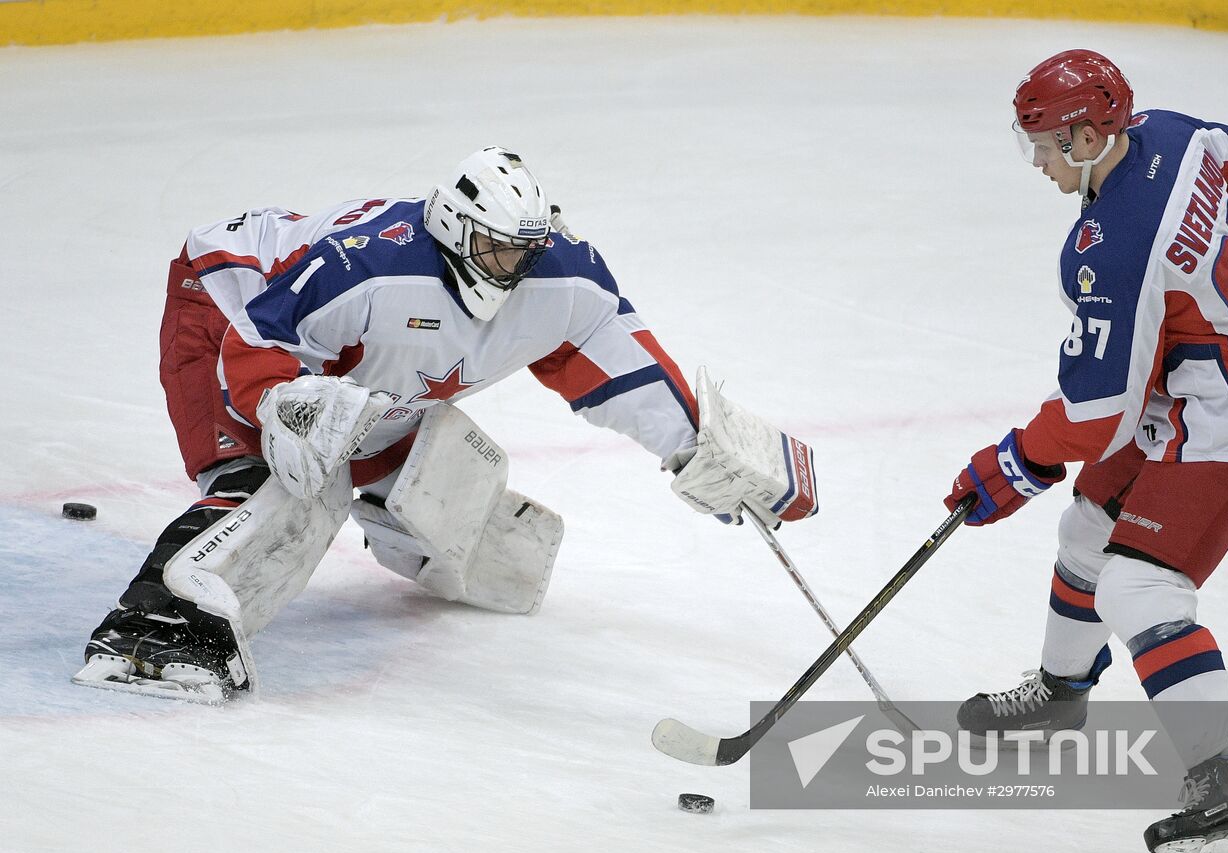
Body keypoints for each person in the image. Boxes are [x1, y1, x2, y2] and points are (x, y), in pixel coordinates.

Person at [75, 146, 818, 704]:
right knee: (296, 478)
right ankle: (157, 623)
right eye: (499, 250)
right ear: (455, 229)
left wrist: (697, 446)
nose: (515, 270)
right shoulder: (370, 270)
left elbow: (624, 368)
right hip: (225, 302)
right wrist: (283, 405)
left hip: (359, 363)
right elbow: (257, 346)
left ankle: (392, 520)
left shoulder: (560, 279)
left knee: (494, 542)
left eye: (526, 252)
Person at [942, 51, 1228, 853]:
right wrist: (1200, 282)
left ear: (1083, 133)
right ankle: (1060, 695)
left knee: (1138, 583)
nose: (1035, 160)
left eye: (1042, 143)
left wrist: (1009, 465)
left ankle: (1226, 803)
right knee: (1088, 531)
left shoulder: (1113, 250)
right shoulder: (1171, 133)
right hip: (1188, 380)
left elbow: (1095, 415)